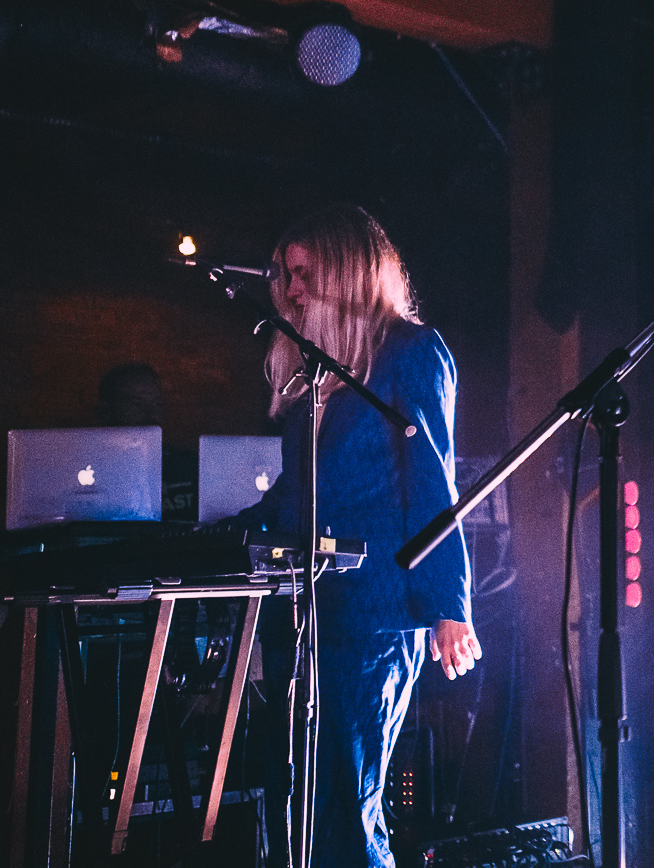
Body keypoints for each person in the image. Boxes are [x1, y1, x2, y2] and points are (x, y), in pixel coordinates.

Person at [229, 205, 479, 868]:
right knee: (301, 812)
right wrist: (223, 534)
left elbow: (434, 483)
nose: (291, 288)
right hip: (307, 612)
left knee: (348, 806)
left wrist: (449, 605)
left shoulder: (409, 351)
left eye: (305, 272)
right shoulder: (319, 377)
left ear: (348, 268)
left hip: (373, 614)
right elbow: (294, 494)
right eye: (285, 274)